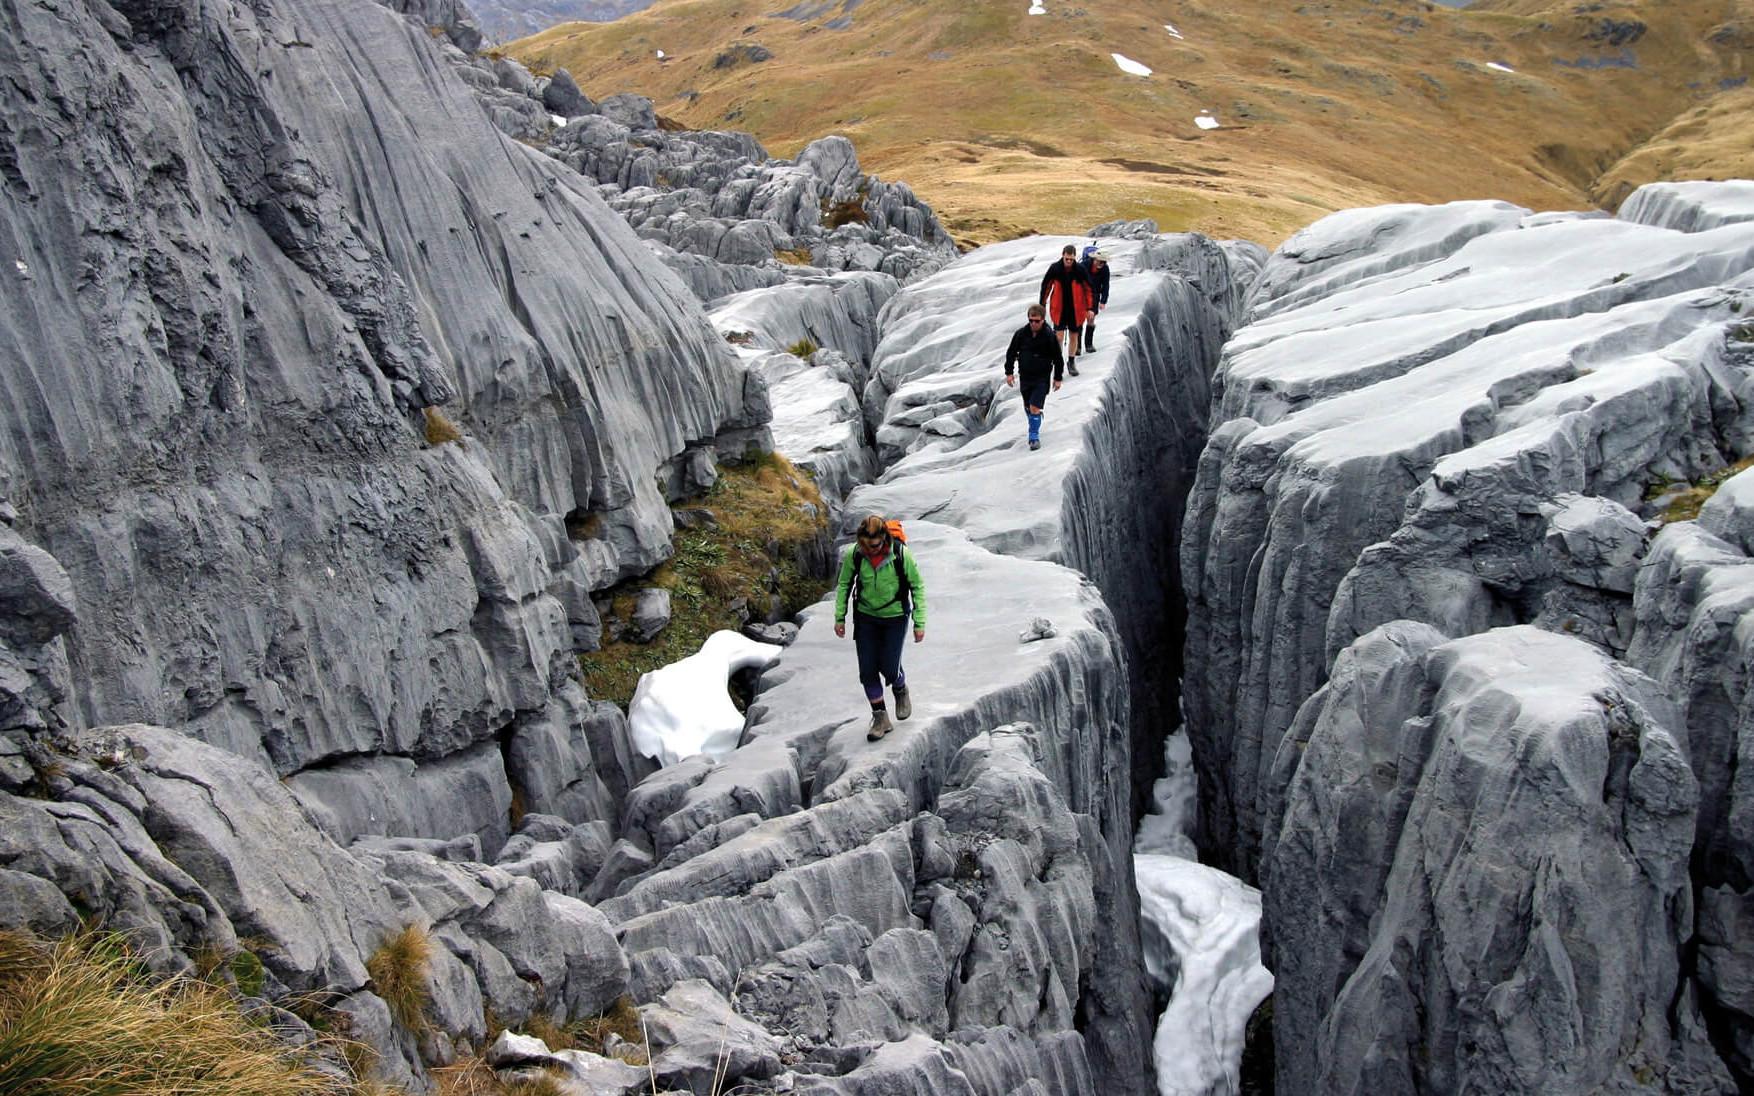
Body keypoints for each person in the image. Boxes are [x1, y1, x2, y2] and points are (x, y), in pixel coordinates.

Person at [833, 515, 926, 740]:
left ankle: (900, 687)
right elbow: (845, 583)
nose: (870, 550)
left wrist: (919, 621)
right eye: (865, 545)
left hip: (895, 616)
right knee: (867, 670)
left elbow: (917, 586)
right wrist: (840, 616)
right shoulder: (855, 554)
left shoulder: (901, 555)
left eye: (874, 545)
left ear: (884, 538)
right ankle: (880, 717)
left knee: (889, 667)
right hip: (866, 617)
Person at [1003, 303, 1064, 451]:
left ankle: (1033, 437)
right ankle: (1035, 421)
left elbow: (1057, 358)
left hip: (1041, 377)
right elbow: (1011, 353)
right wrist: (1009, 372)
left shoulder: (1049, 336)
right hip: (1025, 376)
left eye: (1037, 321)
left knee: (1034, 407)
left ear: (1043, 320)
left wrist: (1057, 378)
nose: (1033, 324)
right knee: (1028, 407)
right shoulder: (1021, 334)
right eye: (1031, 320)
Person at [1038, 244, 1093, 376]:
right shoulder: (1055, 268)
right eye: (1067, 259)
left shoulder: (1080, 270)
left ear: (1074, 257)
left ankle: (1071, 362)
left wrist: (1090, 307)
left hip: (1076, 309)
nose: (1069, 262)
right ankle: (1058, 362)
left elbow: (1088, 289)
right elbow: (1046, 286)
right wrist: (1042, 305)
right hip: (1059, 309)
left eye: (1071, 259)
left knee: (1074, 336)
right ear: (1063, 255)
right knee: (1059, 337)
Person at [1080, 250, 1110, 349]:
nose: (1101, 264)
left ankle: (1088, 344)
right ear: (1094, 259)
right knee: (1079, 320)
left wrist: (1103, 301)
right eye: (1100, 261)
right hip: (1081, 294)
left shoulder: (1105, 269)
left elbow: (1106, 285)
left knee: (1091, 318)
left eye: (1104, 262)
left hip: (1095, 294)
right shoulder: (1083, 265)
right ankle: (1077, 346)